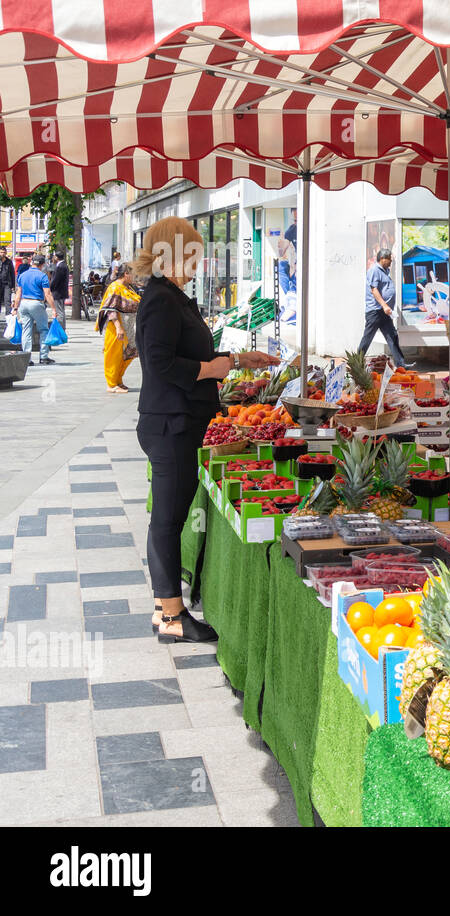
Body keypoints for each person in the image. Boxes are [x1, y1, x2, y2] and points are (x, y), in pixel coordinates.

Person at [134, 216, 276, 642]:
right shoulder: (161, 299)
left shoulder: (173, 297)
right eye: (193, 251)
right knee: (167, 520)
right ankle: (172, 616)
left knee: (170, 517)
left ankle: (165, 609)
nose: (200, 259)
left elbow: (188, 352)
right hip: (170, 423)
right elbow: (159, 362)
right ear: (172, 253)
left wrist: (233, 361)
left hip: (178, 421)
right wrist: (209, 369)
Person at [97, 263, 141, 394]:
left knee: (129, 353)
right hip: (117, 327)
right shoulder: (114, 288)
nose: (135, 277)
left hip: (130, 328)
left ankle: (118, 380)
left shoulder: (128, 288)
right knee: (114, 355)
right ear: (126, 274)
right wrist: (118, 327)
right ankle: (111, 383)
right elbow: (110, 309)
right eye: (133, 274)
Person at [358, 248, 406, 365]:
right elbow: (374, 289)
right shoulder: (375, 270)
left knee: (392, 336)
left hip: (383, 312)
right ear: (382, 259)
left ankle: (401, 364)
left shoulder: (384, 271)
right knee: (367, 338)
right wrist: (385, 305)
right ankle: (356, 362)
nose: (391, 261)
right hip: (375, 311)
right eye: (389, 259)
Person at [15, 254, 55, 365]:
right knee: (43, 330)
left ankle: (26, 357)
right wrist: (54, 309)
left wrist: (15, 308)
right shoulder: (42, 276)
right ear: (42, 265)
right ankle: (43, 356)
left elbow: (18, 293)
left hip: (23, 303)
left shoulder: (22, 275)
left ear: (32, 262)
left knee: (26, 331)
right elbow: (47, 294)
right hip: (36, 303)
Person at [49, 251, 70, 329]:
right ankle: (62, 328)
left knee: (59, 312)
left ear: (56, 257)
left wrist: (50, 288)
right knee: (61, 310)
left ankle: (61, 329)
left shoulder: (60, 267)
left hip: (58, 292)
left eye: (54, 256)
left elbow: (56, 280)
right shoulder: (63, 265)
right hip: (61, 291)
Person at [0, 245, 14, 312]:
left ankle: (9, 319)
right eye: (1, 252)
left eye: (4, 252)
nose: (2, 254)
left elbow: (12, 274)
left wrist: (13, 286)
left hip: (7, 284)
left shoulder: (9, 262)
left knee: (7, 301)